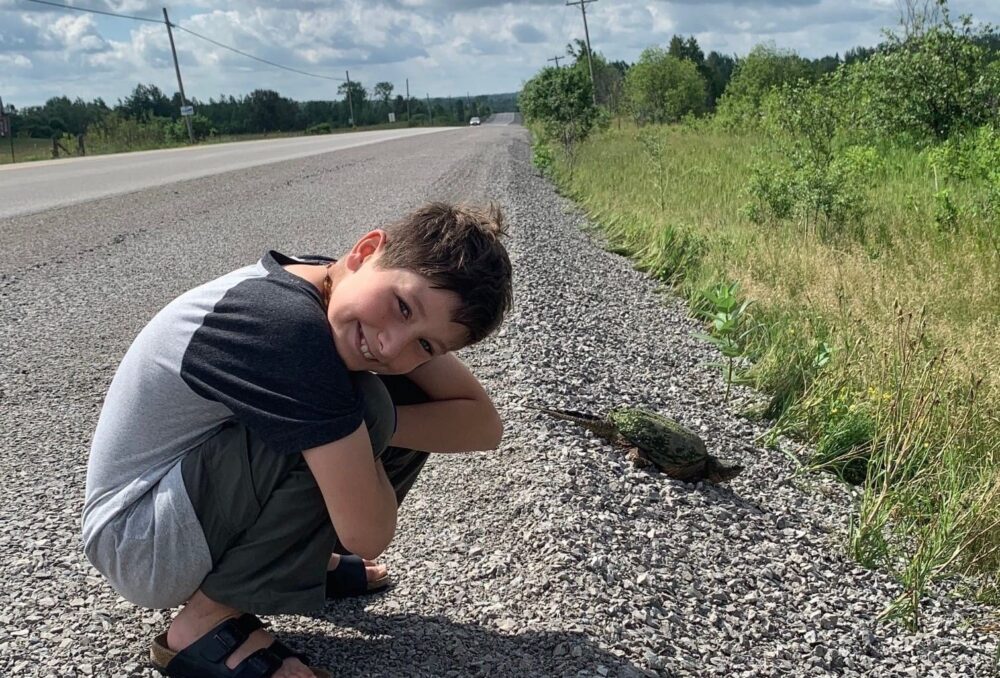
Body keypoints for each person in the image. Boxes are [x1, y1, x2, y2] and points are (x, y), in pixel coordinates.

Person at [82, 202, 514, 678]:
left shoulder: (332, 283)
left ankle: (297, 560)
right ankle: (202, 626)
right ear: (365, 251)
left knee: (381, 397)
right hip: (141, 539)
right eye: (402, 306)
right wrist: (363, 426)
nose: (392, 344)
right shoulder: (287, 327)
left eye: (427, 345)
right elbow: (368, 534)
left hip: (177, 506)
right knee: (362, 403)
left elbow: (481, 425)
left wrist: (369, 427)